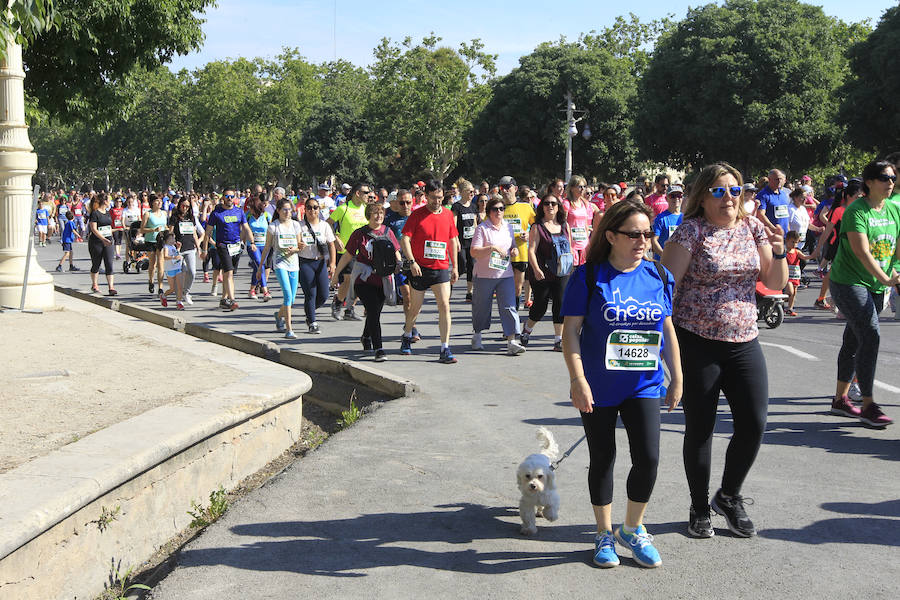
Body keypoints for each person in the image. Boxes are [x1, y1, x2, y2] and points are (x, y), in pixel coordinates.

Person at [661, 162, 786, 539]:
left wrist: (779, 252)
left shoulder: (752, 228)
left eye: (736, 189)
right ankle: (699, 506)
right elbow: (666, 289)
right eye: (719, 190)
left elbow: (774, 281)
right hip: (697, 340)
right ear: (702, 197)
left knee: (754, 422)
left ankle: (729, 496)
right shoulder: (691, 231)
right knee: (700, 429)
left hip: (745, 338)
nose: (730, 197)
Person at [561, 199, 682, 569]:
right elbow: (571, 332)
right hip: (598, 385)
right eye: (633, 234)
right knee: (603, 458)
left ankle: (632, 528)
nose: (643, 240)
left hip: (644, 384)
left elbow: (666, 327)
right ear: (611, 235)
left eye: (647, 233)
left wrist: (677, 376)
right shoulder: (588, 275)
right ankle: (603, 532)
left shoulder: (659, 276)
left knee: (648, 458)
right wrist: (577, 379)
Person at [827, 159, 899, 427]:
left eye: (892, 177)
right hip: (848, 282)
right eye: (884, 177)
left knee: (854, 340)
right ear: (869, 182)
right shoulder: (856, 210)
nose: (890, 182)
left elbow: (899, 249)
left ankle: (839, 400)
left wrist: (895, 275)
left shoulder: (893, 209)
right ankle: (868, 404)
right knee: (870, 335)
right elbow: (862, 251)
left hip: (879, 284)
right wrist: (885, 277)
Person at [399, 179, 460, 363]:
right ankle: (407, 334)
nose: (437, 201)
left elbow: (452, 241)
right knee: (415, 308)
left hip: (440, 268)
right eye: (433, 198)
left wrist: (455, 266)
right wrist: (412, 262)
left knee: (444, 305)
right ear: (426, 196)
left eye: (440, 198)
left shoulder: (448, 215)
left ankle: (445, 348)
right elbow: (404, 239)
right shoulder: (417, 215)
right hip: (420, 269)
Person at [335, 202, 402, 361]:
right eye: (375, 213)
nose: (379, 216)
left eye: (381, 213)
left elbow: (396, 252)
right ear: (369, 215)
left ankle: (366, 336)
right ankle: (379, 349)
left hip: (382, 279)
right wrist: (335, 274)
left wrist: (400, 265)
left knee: (374, 313)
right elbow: (348, 255)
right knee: (372, 310)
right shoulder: (360, 234)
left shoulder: (388, 232)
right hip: (363, 280)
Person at [469, 196, 524, 355]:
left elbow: (512, 246)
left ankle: (512, 340)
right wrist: (491, 248)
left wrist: (514, 250)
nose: (498, 212)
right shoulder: (482, 228)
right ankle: (477, 334)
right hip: (484, 275)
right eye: (495, 209)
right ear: (489, 212)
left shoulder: (508, 227)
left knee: (509, 306)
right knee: (481, 307)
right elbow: (474, 252)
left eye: (501, 209)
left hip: (505, 273)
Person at [520, 193, 572, 352]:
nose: (550, 206)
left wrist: (572, 266)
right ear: (542, 207)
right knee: (540, 306)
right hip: (543, 272)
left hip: (562, 271)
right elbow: (531, 250)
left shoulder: (564, 225)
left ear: (558, 208)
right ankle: (527, 329)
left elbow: (569, 247)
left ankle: (558, 340)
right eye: (547, 204)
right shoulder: (537, 227)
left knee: (560, 303)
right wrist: (536, 269)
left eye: (554, 204)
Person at [202, 188, 254, 311]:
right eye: (227, 196)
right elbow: (208, 232)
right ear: (223, 198)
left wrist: (251, 242)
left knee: (228, 273)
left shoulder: (239, 212)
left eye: (231, 196)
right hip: (222, 245)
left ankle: (223, 299)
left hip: (235, 246)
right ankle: (232, 300)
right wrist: (204, 250)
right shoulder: (217, 213)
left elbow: (246, 228)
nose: (229, 198)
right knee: (229, 272)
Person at [261, 198, 306, 338]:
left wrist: (298, 249)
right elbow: (267, 247)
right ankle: (289, 329)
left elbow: (300, 245)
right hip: (280, 264)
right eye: (284, 209)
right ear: (278, 211)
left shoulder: (296, 225)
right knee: (287, 295)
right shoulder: (273, 227)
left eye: (289, 209)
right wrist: (260, 267)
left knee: (291, 299)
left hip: (294, 264)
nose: (287, 212)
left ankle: (278, 315)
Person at [329, 183, 370, 321]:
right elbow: (327, 224)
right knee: (348, 280)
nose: (368, 195)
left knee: (359, 281)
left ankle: (349, 309)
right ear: (357, 193)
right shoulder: (343, 209)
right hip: (347, 251)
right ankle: (338, 303)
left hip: (364, 251)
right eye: (366, 192)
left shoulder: (366, 209)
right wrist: (335, 238)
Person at [296, 196, 336, 334]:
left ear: (319, 209)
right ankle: (312, 322)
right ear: (305, 210)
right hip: (305, 262)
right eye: (309, 208)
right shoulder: (299, 226)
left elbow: (331, 244)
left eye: (315, 207)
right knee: (311, 293)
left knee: (324, 295)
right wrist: (298, 245)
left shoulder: (324, 225)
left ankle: (309, 311)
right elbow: (294, 244)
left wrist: (332, 263)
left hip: (320, 262)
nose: (312, 210)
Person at [498, 176, 534, 307]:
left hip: (520, 253)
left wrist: (529, 234)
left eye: (508, 187)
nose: (505, 190)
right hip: (501, 255)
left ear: (515, 189)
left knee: (517, 288)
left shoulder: (525, 207)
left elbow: (537, 226)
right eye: (502, 188)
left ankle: (514, 315)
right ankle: (506, 315)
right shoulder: (497, 207)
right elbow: (486, 226)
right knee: (502, 288)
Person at [385, 189, 415, 337]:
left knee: (416, 298)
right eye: (401, 202)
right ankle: (412, 327)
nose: (405, 205)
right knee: (407, 296)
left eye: (408, 202)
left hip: (417, 262)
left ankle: (409, 322)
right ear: (397, 202)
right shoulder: (390, 220)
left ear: (412, 202)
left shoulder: (418, 217)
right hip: (400, 263)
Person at [169, 197, 201, 305]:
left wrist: (199, 247)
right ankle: (179, 299)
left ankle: (186, 292)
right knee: (181, 273)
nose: (185, 208)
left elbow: (194, 233)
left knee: (192, 272)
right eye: (183, 206)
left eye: (187, 206)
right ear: (179, 205)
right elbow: (170, 232)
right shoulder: (174, 217)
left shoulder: (191, 217)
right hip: (179, 249)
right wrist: (173, 244)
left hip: (190, 248)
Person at [451, 179, 478, 301]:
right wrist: (455, 240)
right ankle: (450, 283)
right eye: (470, 191)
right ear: (463, 192)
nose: (472, 194)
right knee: (462, 265)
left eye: (473, 192)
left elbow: (475, 224)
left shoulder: (473, 206)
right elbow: (453, 225)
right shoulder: (456, 206)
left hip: (471, 242)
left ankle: (469, 292)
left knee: (472, 265)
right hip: (460, 241)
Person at [563, 175, 599, 266]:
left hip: (583, 243)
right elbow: (563, 224)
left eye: (584, 186)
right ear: (572, 188)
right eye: (579, 186)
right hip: (571, 244)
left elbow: (586, 224)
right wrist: (568, 244)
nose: (582, 189)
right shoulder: (566, 203)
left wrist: (588, 243)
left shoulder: (585, 203)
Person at [87, 194, 117, 296]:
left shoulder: (108, 213)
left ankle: (111, 287)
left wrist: (117, 230)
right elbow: (93, 229)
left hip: (108, 241)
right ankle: (95, 284)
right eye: (109, 200)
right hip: (97, 242)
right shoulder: (95, 213)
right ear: (104, 201)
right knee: (96, 263)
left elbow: (108, 228)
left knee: (109, 263)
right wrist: (102, 239)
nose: (110, 202)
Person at [244, 194, 272, 301]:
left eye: (250, 207)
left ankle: (251, 290)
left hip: (264, 245)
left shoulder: (266, 215)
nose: (249, 209)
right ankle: (265, 291)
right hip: (252, 245)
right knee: (259, 264)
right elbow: (243, 230)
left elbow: (271, 228)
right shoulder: (247, 216)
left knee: (258, 267)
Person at [140, 194, 167, 295]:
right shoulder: (148, 214)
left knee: (161, 264)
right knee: (152, 264)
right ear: (152, 203)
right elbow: (142, 229)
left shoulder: (164, 213)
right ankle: (151, 280)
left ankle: (160, 287)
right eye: (157, 201)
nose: (159, 203)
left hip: (161, 240)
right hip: (151, 240)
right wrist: (153, 229)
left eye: (160, 201)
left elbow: (166, 226)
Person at [783, 230, 813, 316]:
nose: (794, 245)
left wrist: (813, 254)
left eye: (796, 243)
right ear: (787, 240)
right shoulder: (784, 251)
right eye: (792, 242)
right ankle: (781, 300)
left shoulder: (797, 251)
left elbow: (805, 257)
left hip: (796, 275)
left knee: (794, 292)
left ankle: (790, 308)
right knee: (790, 292)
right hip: (787, 275)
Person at [650, 185, 684, 260]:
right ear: (666, 198)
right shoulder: (661, 218)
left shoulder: (686, 218)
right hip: (663, 262)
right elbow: (654, 240)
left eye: (679, 195)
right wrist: (665, 256)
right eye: (673, 196)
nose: (676, 198)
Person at [756, 168, 791, 234]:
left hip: (785, 235)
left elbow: (785, 215)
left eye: (780, 179)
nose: (779, 181)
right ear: (769, 180)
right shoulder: (763, 195)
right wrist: (773, 229)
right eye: (776, 179)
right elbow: (760, 215)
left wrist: (788, 230)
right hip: (771, 235)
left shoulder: (783, 194)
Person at [158, 231, 185, 309]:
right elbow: (165, 257)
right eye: (171, 238)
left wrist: (179, 248)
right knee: (172, 289)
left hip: (177, 268)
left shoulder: (173, 246)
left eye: (174, 238)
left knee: (180, 287)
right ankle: (163, 296)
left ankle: (179, 302)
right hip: (170, 269)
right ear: (166, 240)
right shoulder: (166, 247)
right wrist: (173, 257)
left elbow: (176, 254)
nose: (173, 240)